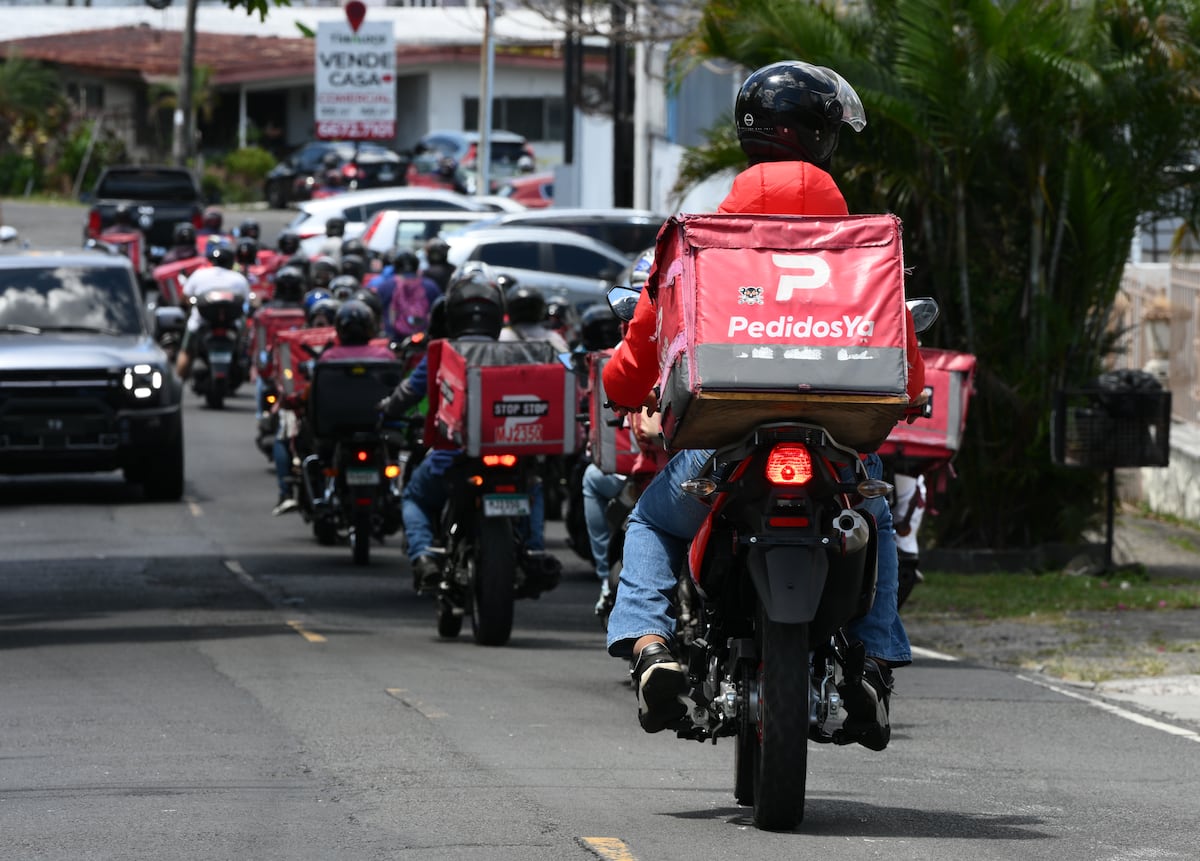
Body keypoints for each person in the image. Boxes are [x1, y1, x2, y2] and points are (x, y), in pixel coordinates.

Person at [602, 60, 925, 749]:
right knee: (876, 516)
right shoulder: (864, 244)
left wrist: (621, 391)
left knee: (652, 525)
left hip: (723, 442)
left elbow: (642, 348)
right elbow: (905, 358)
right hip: (835, 444)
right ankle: (870, 661)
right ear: (824, 141)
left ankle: (652, 646)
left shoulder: (699, 241)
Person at [377, 265, 512, 592]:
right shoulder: (512, 352)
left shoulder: (442, 352)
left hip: (450, 458)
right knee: (531, 487)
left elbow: (408, 393)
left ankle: (423, 555)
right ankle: (534, 545)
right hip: (512, 453)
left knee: (414, 498)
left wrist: (385, 409)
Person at [174, 241, 251, 381]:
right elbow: (247, 304)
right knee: (247, 343)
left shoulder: (199, 275)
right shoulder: (239, 279)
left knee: (186, 351)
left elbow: (184, 298)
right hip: (231, 324)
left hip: (201, 322)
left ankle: (179, 382)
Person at [499, 279, 569, 352]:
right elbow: (566, 361)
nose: (525, 311)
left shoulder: (504, 336)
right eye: (522, 307)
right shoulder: (553, 337)